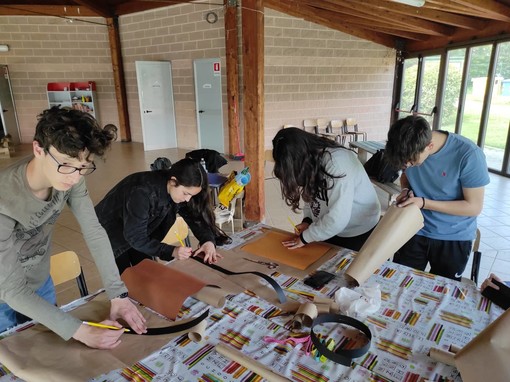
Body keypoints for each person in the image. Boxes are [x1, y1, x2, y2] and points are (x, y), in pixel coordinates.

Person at [0, 106, 147, 349]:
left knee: (48, 353)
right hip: (3, 295)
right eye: (67, 164)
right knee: (13, 359)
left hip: (40, 283)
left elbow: (94, 231)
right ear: (38, 149)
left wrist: (118, 294)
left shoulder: (70, 177)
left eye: (83, 166)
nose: (75, 177)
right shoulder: (5, 199)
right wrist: (79, 331)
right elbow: (12, 290)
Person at [385, 116, 490, 281]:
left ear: (430, 146)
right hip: (413, 228)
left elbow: (474, 207)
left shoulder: (469, 155)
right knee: (400, 282)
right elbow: (406, 175)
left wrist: (424, 203)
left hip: (453, 236)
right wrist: (406, 189)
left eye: (412, 163)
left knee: (443, 292)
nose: (408, 166)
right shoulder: (409, 150)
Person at [95, 157, 223, 274]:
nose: (188, 199)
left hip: (139, 231)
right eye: (185, 193)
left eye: (191, 195)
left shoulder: (176, 190)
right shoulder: (142, 192)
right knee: (125, 281)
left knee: (147, 274)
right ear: (173, 182)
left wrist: (207, 240)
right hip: (110, 233)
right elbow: (135, 236)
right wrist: (171, 251)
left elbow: (195, 217)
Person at [271, 127, 381, 251]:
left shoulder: (337, 163)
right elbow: (311, 196)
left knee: (344, 267)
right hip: (332, 226)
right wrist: (308, 221)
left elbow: (337, 220)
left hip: (358, 229)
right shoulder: (310, 160)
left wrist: (305, 238)